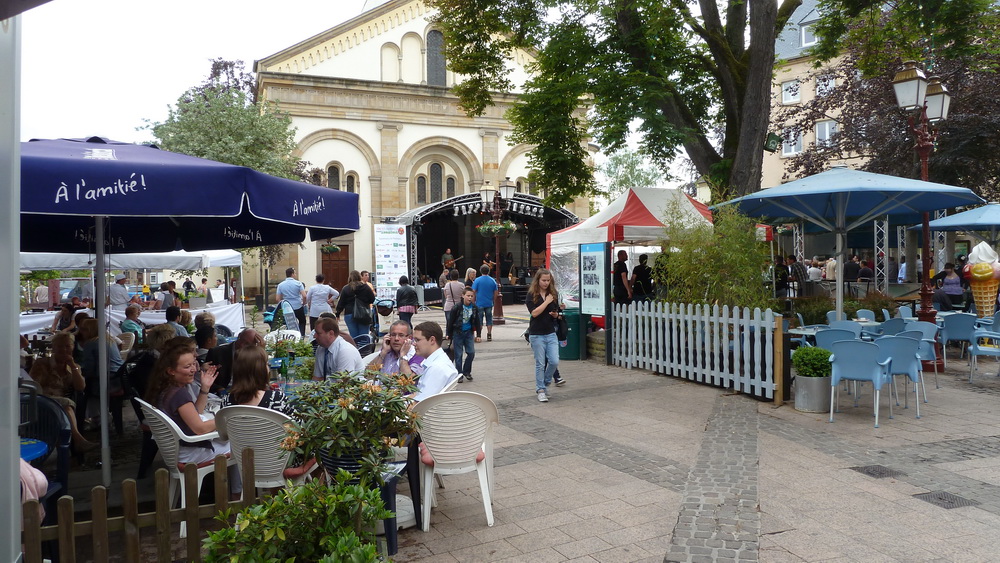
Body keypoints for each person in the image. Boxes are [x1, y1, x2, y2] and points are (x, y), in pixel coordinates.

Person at [144, 339, 241, 497]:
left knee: (233, 438)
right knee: (241, 442)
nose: (193, 370)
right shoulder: (178, 393)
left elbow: (194, 413)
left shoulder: (166, 389)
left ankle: (236, 492)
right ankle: (238, 495)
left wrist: (204, 389)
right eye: (187, 366)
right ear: (171, 371)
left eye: (194, 364)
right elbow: (199, 428)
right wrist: (228, 418)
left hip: (180, 451)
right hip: (191, 453)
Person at [28, 331, 96, 451]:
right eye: (60, 346)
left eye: (67, 346)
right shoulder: (42, 363)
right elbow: (34, 386)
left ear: (72, 347)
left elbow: (80, 387)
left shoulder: (74, 367)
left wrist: (72, 366)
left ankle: (74, 442)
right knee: (66, 404)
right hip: (41, 401)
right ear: (54, 348)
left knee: (66, 405)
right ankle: (78, 440)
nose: (64, 349)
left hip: (60, 405)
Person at [526, 268, 564, 402]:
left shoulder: (553, 293)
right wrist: (547, 301)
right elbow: (534, 313)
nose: (546, 283)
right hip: (536, 334)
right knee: (540, 364)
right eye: (543, 280)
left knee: (554, 361)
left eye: (548, 280)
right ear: (538, 280)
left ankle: (546, 383)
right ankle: (540, 389)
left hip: (550, 332)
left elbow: (555, 312)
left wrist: (557, 313)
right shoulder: (532, 295)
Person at [397, 321, 458, 402]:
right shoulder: (436, 362)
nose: (414, 344)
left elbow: (421, 402)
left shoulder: (437, 368)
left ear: (432, 340)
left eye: (417, 340)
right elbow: (420, 394)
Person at [221, 346, 292, 415]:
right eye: (266, 364)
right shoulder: (277, 399)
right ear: (260, 370)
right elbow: (297, 426)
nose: (268, 368)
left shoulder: (227, 402)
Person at [447, 287, 481, 382]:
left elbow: (478, 321)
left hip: (469, 333)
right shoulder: (457, 307)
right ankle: (459, 374)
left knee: (471, 353)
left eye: (471, 296)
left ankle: (466, 371)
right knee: (458, 355)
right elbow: (450, 322)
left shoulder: (474, 307)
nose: (470, 298)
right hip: (458, 333)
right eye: (468, 296)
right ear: (463, 296)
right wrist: (449, 334)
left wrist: (478, 335)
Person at [336, 270, 377, 340]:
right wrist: (365, 301)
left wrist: (338, 314)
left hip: (349, 313)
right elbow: (372, 299)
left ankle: (355, 349)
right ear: (359, 277)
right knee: (364, 336)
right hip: (363, 313)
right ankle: (364, 349)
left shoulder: (346, 288)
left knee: (354, 336)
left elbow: (341, 302)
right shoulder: (365, 287)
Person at [276, 268, 307, 335]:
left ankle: (290, 336)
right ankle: (301, 336)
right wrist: (303, 303)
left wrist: (282, 305)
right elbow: (304, 296)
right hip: (298, 306)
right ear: (292, 274)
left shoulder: (281, 285)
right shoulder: (298, 283)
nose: (295, 274)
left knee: (288, 323)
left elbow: (277, 298)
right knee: (302, 321)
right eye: (295, 273)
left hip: (287, 307)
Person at [471, 264, 497, 341]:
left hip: (479, 303)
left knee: (479, 320)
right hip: (489, 303)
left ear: (480, 271)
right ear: (488, 271)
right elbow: (495, 292)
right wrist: (493, 300)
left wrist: (473, 301)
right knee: (489, 319)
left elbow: (473, 292)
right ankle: (489, 334)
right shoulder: (492, 280)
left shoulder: (477, 280)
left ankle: (479, 335)